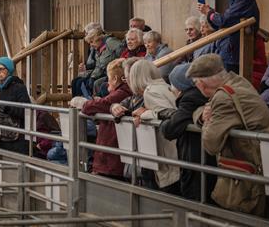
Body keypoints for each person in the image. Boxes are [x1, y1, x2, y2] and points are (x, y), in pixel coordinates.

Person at [187, 54, 269, 216]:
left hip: (252, 177)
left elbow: (210, 144)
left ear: (200, 84)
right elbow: (206, 110)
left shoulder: (224, 97)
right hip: (268, 165)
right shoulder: (237, 82)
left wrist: (207, 120)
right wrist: (202, 115)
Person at [158, 63, 216, 201]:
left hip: (196, 160)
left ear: (180, 85)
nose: (170, 89)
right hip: (202, 159)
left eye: (172, 84)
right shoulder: (196, 96)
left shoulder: (190, 99)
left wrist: (165, 121)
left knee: (196, 200)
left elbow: (169, 130)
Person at [70, 59, 132, 180]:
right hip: (110, 155)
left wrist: (85, 103)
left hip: (111, 158)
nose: (107, 82)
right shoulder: (122, 91)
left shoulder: (122, 92)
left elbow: (100, 104)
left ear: (114, 79)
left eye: (108, 78)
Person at [128, 60, 180, 194]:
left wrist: (145, 113)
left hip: (166, 151)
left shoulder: (151, 91)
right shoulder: (165, 86)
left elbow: (167, 114)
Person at [197, 0, 259, 73]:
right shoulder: (238, 0)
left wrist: (209, 12)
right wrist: (210, 12)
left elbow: (223, 21)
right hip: (229, 52)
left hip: (233, 53)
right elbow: (221, 25)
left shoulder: (245, 0)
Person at [0, 56, 31, 155]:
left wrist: (6, 107)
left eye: (1, 69)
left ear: (8, 70)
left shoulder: (19, 87)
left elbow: (26, 110)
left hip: (15, 137)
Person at [71, 28, 123, 98]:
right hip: (101, 73)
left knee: (96, 83)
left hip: (111, 73)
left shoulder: (110, 42)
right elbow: (98, 66)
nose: (91, 45)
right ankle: (80, 102)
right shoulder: (98, 49)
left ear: (98, 39)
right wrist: (92, 76)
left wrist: (119, 61)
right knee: (76, 81)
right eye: (89, 43)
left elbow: (122, 50)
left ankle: (92, 103)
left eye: (92, 42)